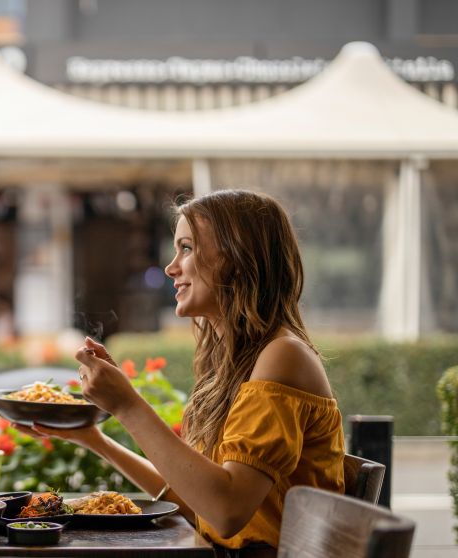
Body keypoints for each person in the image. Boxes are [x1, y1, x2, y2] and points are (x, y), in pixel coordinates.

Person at [18, 189, 344, 557]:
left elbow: (226, 511)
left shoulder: (283, 356)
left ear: (237, 259)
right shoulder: (236, 361)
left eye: (187, 248)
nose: (172, 267)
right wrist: (94, 439)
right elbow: (198, 500)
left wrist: (128, 405)